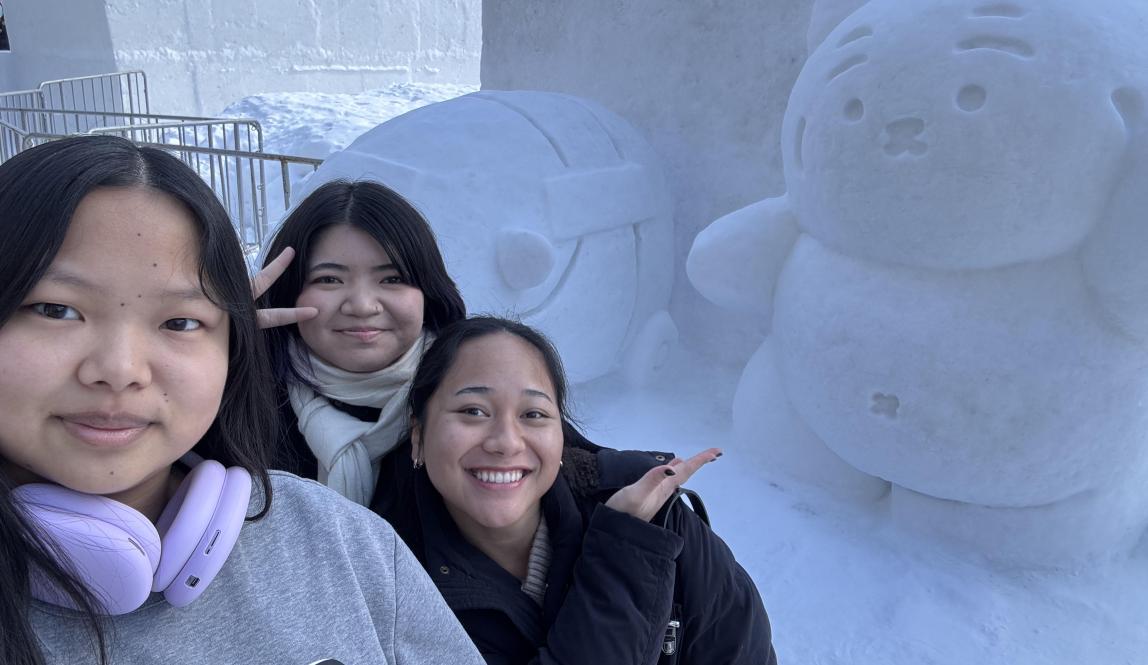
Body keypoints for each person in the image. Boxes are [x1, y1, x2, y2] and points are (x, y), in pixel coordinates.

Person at [0, 135, 484, 665]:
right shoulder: (277, 412)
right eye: (56, 310)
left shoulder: (341, 539)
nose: (121, 370)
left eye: (180, 321)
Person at [374, 316, 778, 664]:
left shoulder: (650, 507)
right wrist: (621, 554)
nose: (506, 442)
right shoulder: (392, 592)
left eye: (533, 414)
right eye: (473, 411)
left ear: (560, 436)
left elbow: (739, 647)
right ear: (418, 434)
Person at [259, 180, 465, 505]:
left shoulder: (472, 395)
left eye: (392, 279)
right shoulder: (242, 401)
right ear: (289, 290)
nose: (363, 306)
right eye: (329, 279)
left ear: (428, 291)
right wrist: (211, 339)